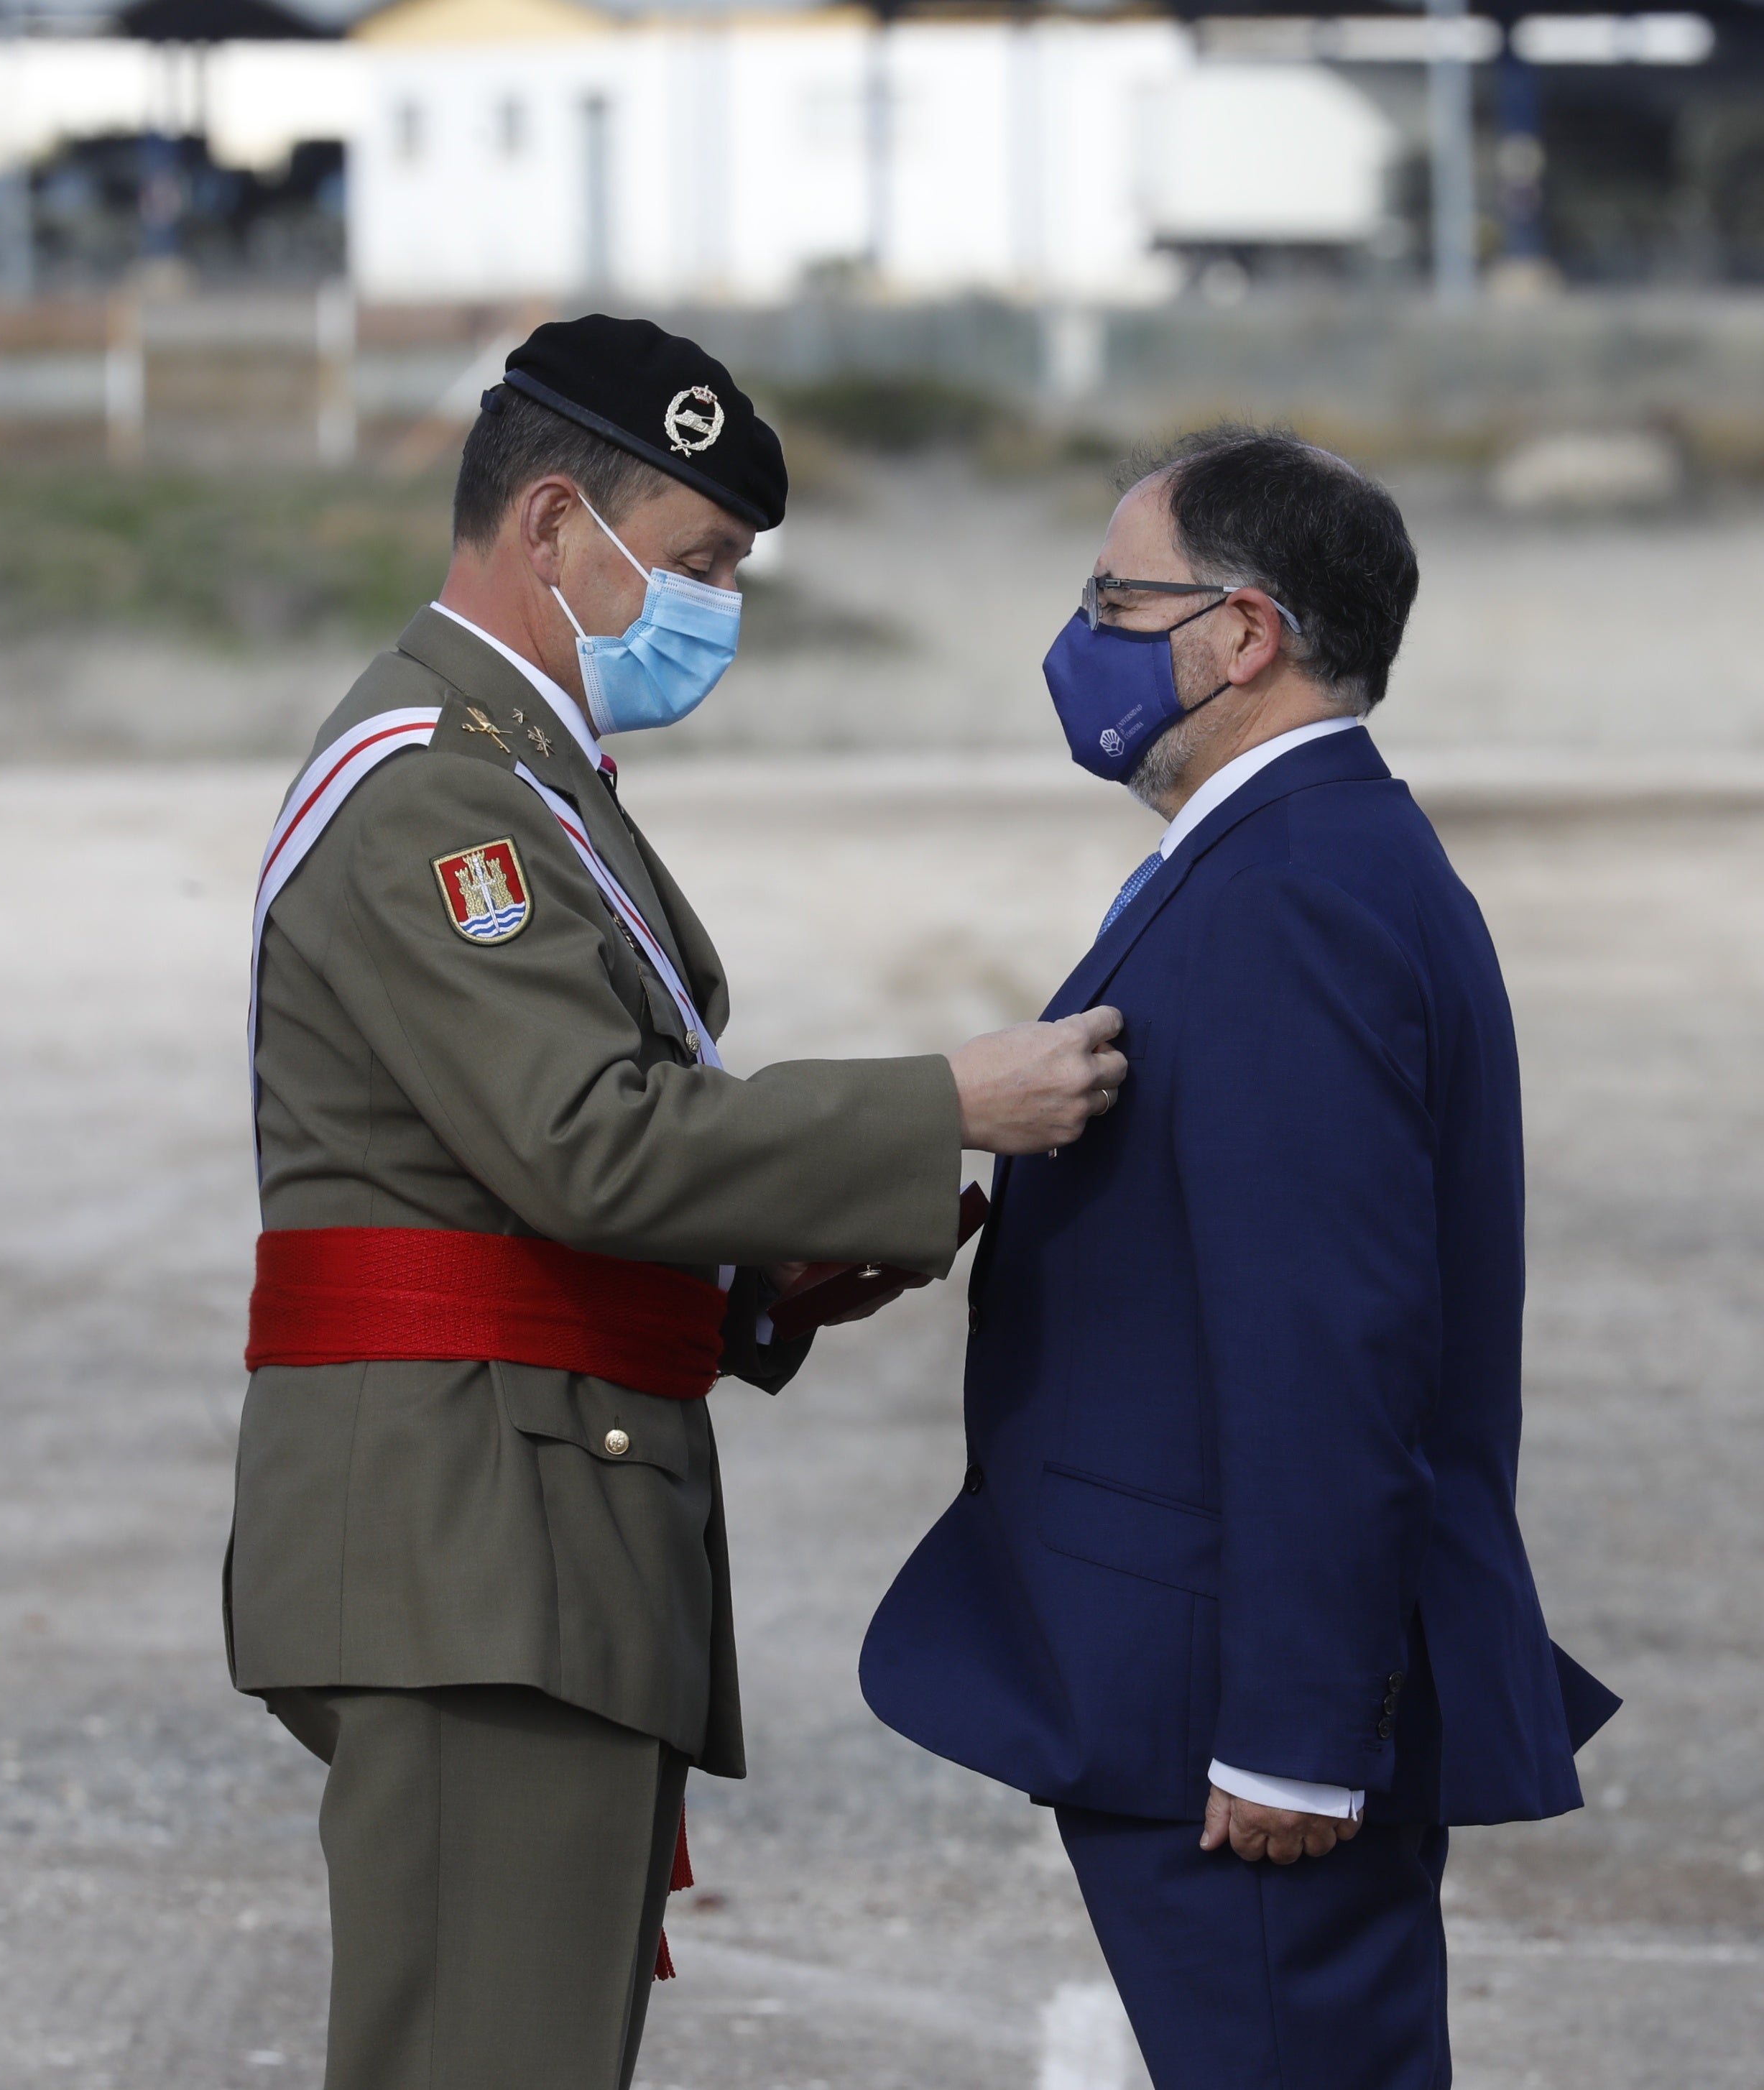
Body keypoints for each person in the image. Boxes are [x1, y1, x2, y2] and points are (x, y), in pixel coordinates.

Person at [230, 313, 1125, 2090]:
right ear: (553, 526)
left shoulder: (520, 775)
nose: (722, 602)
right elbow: (587, 1137)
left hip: (509, 1516)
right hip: (470, 1535)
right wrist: (945, 1099)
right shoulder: (435, 801)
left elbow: (501, 1180)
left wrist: (754, 1288)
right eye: (699, 559)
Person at [859, 426, 1617, 2089]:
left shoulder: (1292, 891)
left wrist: (1294, 1729)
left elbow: (1328, 1337)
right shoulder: (1294, 856)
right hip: (1200, 1681)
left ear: (1244, 632)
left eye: (1118, 600)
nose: (1085, 639)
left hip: (1231, 1712)